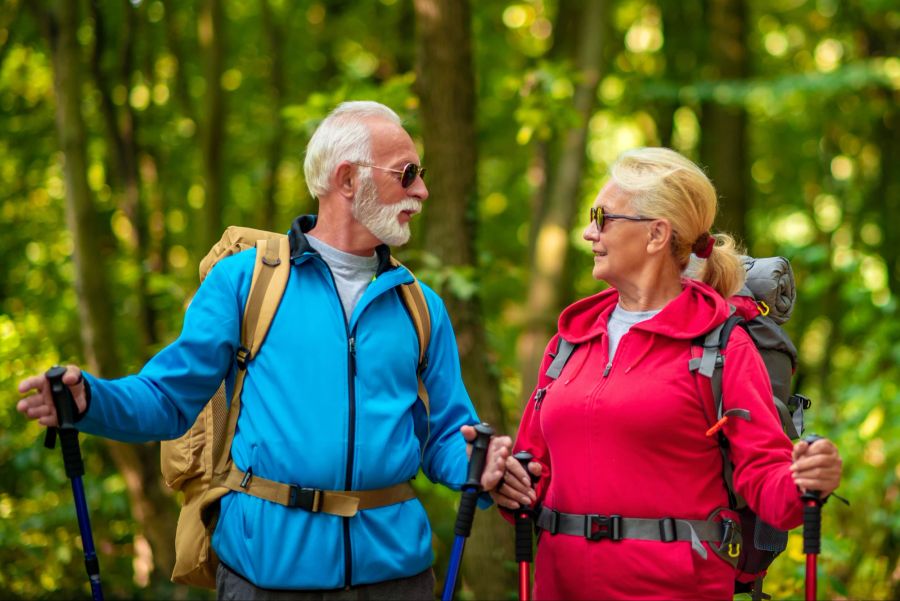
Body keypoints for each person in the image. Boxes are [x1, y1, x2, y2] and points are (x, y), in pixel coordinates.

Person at [18, 101, 511, 600]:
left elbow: (447, 434)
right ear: (347, 179)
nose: (422, 190)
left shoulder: (422, 308)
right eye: (407, 174)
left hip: (396, 578)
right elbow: (168, 400)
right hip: (266, 575)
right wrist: (91, 403)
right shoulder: (245, 282)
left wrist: (481, 463)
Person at [488, 147, 843, 600]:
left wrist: (807, 480)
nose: (587, 232)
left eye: (602, 216)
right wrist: (505, 480)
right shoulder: (569, 343)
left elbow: (768, 486)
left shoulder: (721, 346)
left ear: (657, 234)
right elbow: (532, 478)